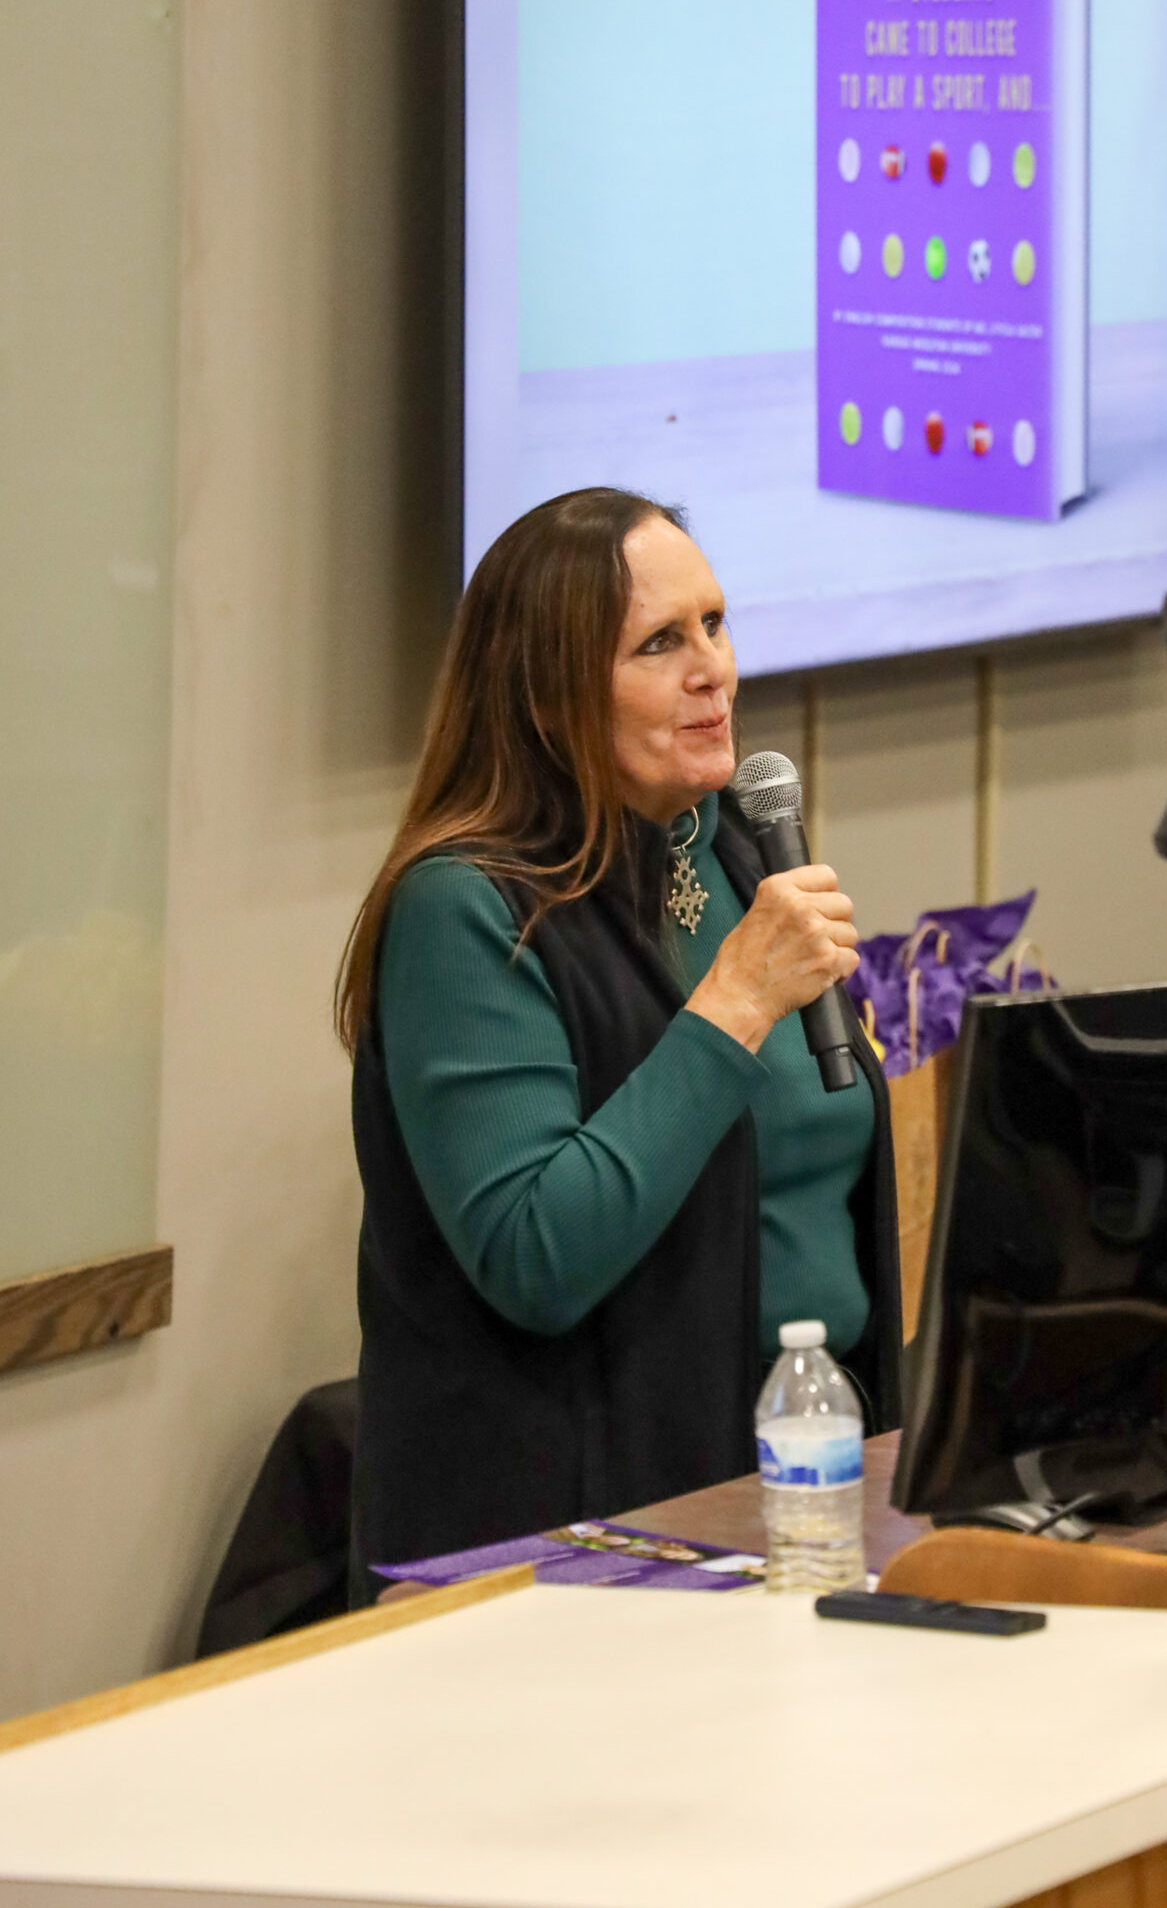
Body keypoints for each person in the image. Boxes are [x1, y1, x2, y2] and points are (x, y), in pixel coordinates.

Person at [336, 488, 901, 1597]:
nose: (714, 671)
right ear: (549, 698)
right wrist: (735, 1005)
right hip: (565, 1540)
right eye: (659, 643)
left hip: (799, 1481)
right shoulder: (465, 906)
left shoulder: (731, 846)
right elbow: (535, 1253)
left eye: (716, 625)